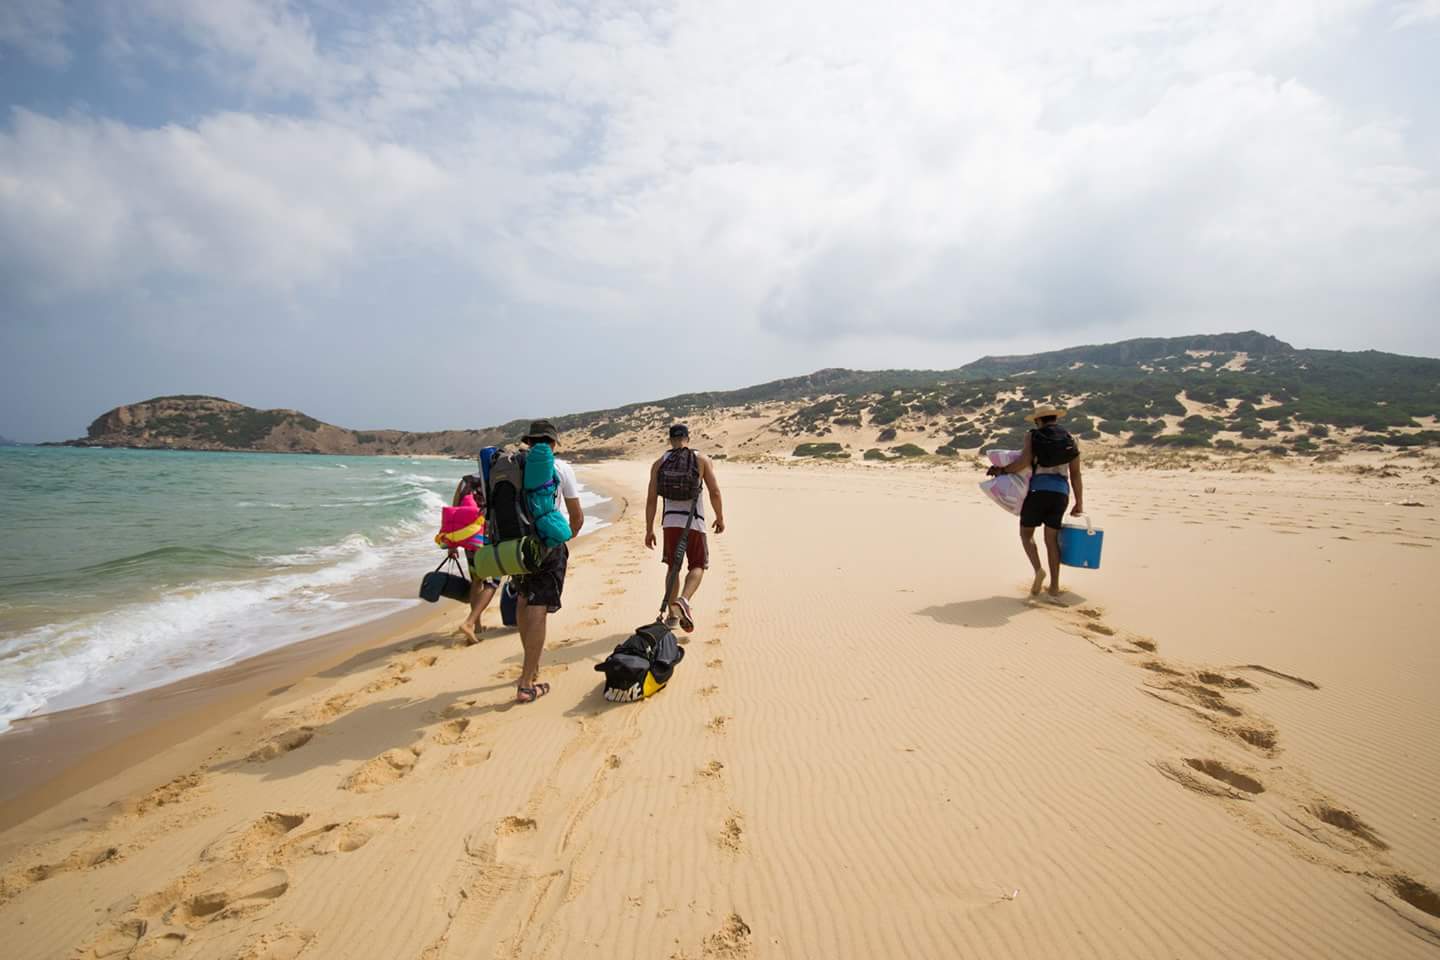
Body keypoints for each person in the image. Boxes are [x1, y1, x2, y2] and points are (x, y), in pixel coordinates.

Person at [511, 419, 584, 703]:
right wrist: (566, 538)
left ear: (529, 441)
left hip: (516, 544)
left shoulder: (516, 464)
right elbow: (576, 516)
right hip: (546, 544)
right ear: (552, 443)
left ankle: (532, 663)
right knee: (538, 606)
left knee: (522, 600)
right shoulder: (561, 468)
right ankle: (527, 682)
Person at [987, 404, 1085, 598]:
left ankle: (1038, 570)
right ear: (1055, 418)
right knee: (1052, 540)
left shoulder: (1033, 436)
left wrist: (1001, 471)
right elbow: (1075, 474)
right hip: (1061, 494)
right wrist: (1079, 502)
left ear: (1039, 420)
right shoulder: (1070, 439)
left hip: (1038, 491)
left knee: (1026, 534)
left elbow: (1023, 462)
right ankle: (1055, 586)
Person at [644, 423, 725, 632]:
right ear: (688, 438)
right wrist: (719, 517)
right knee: (697, 564)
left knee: (673, 566)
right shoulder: (701, 459)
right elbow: (714, 492)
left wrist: (649, 529)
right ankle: (684, 600)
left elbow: (651, 499)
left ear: (670, 439)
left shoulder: (659, 463)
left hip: (670, 523)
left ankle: (672, 615)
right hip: (694, 522)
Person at [449, 468, 499, 645]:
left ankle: (477, 626)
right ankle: (469, 623)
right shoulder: (495, 479)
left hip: (470, 537)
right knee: (494, 580)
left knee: (476, 580)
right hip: (489, 537)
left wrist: (452, 545)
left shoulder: (465, 481)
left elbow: (454, 513)